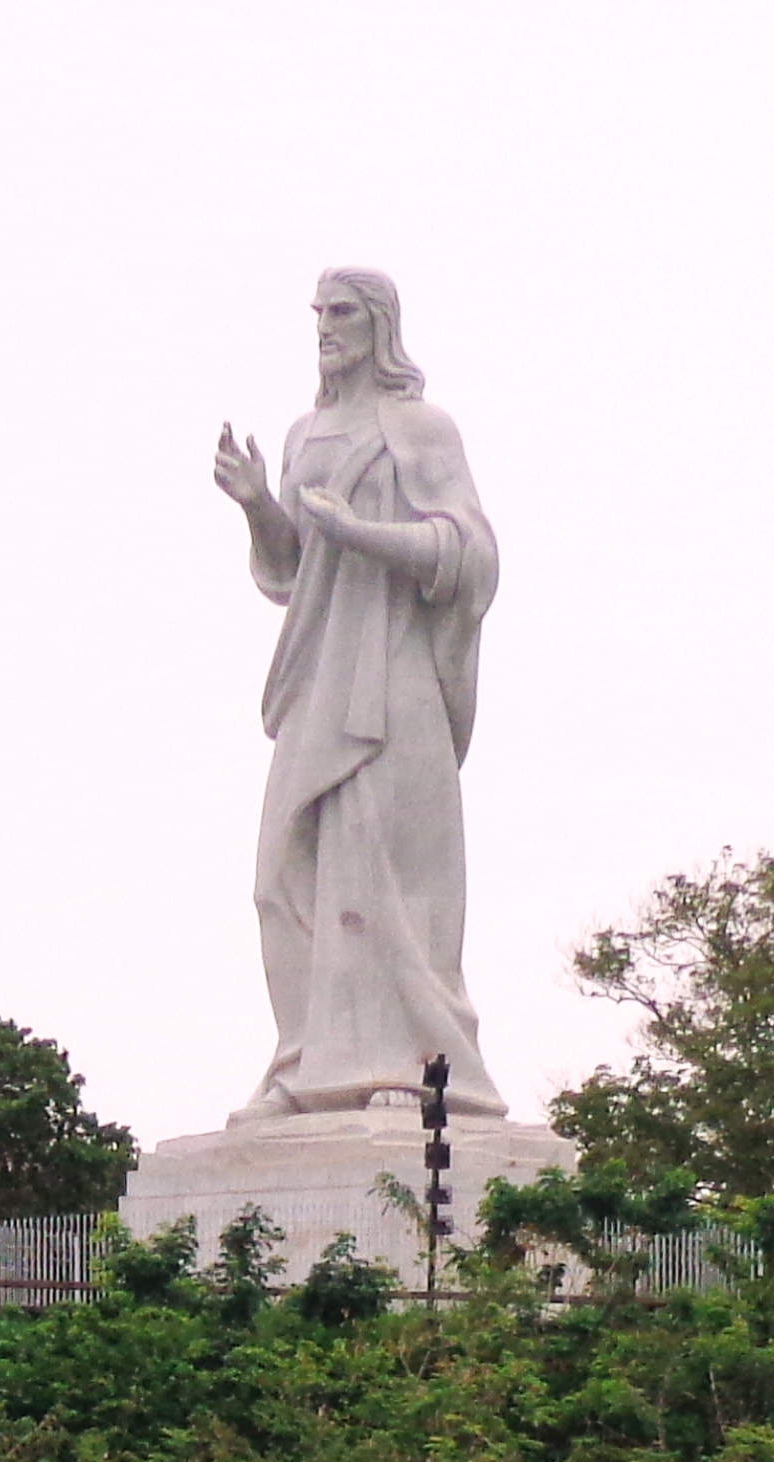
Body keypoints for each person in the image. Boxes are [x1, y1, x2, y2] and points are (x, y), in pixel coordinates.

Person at [211, 269, 503, 1123]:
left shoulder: (423, 428)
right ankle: (303, 1062)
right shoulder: (306, 431)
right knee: (284, 873)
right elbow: (294, 569)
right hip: (321, 674)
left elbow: (472, 552)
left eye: (341, 313)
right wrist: (258, 502)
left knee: (394, 878)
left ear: (379, 326)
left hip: (398, 675)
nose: (324, 328)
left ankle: (415, 1065)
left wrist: (360, 532)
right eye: (318, 314)